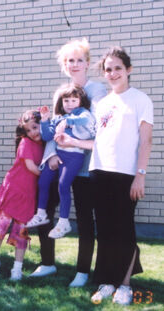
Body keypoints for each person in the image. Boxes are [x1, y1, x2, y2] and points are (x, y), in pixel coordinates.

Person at [28, 38, 107, 288]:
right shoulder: (61, 93)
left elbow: (96, 129)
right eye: (69, 61)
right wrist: (50, 154)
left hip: (84, 163)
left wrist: (72, 139)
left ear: (87, 63)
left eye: (79, 60)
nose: (74, 65)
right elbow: (54, 126)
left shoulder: (98, 92)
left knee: (84, 216)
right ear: (64, 65)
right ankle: (48, 262)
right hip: (58, 159)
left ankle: (83, 270)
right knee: (46, 208)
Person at [83, 47, 153, 305]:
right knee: (106, 230)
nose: (112, 73)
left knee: (124, 230)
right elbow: (100, 141)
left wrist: (140, 175)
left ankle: (125, 285)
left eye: (117, 68)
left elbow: (146, 141)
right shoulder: (102, 103)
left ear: (128, 70)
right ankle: (106, 281)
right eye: (108, 69)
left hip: (127, 175)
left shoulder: (141, 100)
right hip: (99, 172)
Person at [27, 84, 95, 239]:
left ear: (80, 101)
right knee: (43, 182)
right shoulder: (58, 117)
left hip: (74, 156)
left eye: (73, 100)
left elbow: (85, 120)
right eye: (66, 101)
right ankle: (41, 213)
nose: (70, 104)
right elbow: (47, 136)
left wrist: (67, 121)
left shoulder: (82, 113)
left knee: (63, 185)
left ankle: (64, 222)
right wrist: (45, 121)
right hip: (58, 155)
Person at [0, 109, 44, 281]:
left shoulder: (44, 145)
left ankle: (17, 270)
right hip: (14, 190)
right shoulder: (25, 143)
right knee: (0, 227)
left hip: (28, 195)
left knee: (21, 232)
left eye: (35, 127)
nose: (33, 132)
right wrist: (48, 173)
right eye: (29, 130)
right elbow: (31, 167)